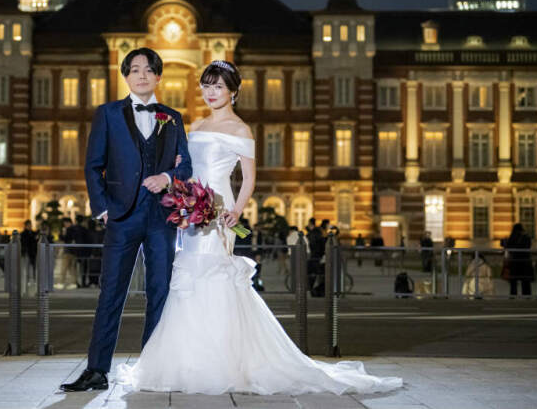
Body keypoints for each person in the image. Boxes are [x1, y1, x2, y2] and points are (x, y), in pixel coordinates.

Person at [115, 60, 401, 395]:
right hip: (191, 207)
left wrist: (236, 211)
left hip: (218, 210)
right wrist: (178, 184)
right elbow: (187, 165)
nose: (210, 92)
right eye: (206, 86)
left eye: (218, 86)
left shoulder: (240, 130)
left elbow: (249, 178)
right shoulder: (197, 123)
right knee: (188, 276)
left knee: (212, 275)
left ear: (233, 91)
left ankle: (220, 360)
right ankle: (185, 358)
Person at [61, 48, 193, 392]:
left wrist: (167, 176)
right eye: (135, 70)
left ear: (159, 77)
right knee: (111, 293)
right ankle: (96, 370)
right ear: (126, 76)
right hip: (121, 215)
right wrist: (102, 207)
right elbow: (93, 165)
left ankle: (154, 368)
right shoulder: (107, 114)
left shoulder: (173, 117)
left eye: (149, 70)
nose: (142, 75)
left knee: (160, 291)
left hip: (161, 216)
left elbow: (186, 167)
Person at [504, 223, 533, 297]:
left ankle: (513, 296)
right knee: (525, 282)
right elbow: (528, 247)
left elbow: (507, 248)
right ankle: (527, 296)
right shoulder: (526, 237)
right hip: (525, 262)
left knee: (513, 282)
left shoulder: (512, 237)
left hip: (514, 262)